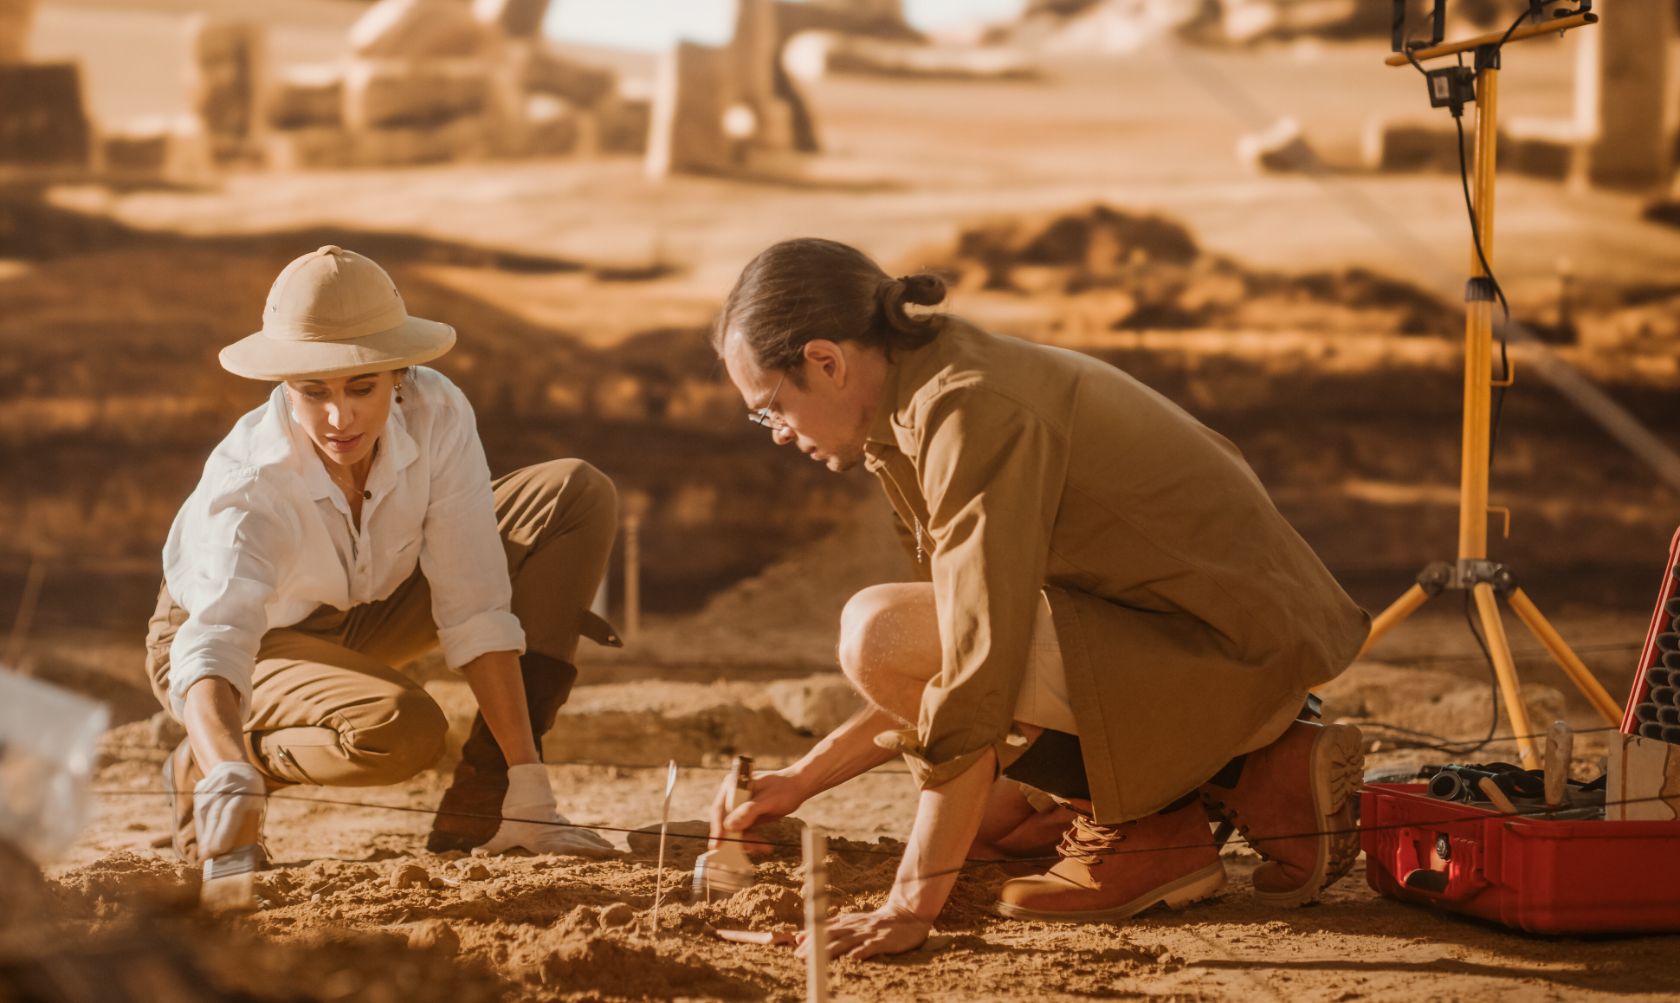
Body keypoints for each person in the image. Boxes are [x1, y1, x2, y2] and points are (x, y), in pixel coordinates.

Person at [708, 238, 1370, 959]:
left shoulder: (963, 408)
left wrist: (908, 906)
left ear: (826, 361)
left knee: (874, 630)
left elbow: (971, 665)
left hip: (1231, 653)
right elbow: (956, 653)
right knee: (996, 827)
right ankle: (1252, 779)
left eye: (769, 408)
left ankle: (1166, 826)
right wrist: (801, 781)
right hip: (1187, 637)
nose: (776, 434)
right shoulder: (915, 403)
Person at [144, 245, 621, 869]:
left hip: (368, 607)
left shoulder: (437, 410)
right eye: (313, 392)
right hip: (249, 643)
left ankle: (489, 798)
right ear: (285, 386)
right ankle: (208, 764)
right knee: (401, 731)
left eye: (362, 387)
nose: (339, 418)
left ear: (400, 374)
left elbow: (473, 599)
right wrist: (228, 772)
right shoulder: (251, 484)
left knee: (573, 493)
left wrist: (529, 789)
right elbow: (217, 644)